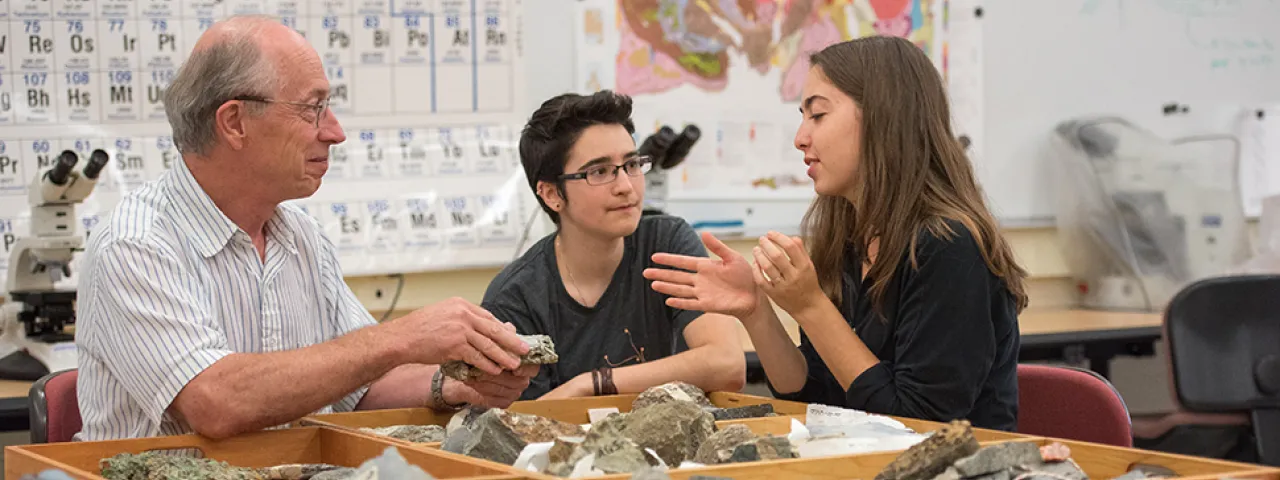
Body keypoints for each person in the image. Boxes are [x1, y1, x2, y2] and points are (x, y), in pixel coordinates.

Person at [74, 16, 536, 441]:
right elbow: (216, 402)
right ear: (234, 122)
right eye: (312, 109)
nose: (334, 132)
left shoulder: (301, 236)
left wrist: (453, 383)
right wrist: (400, 337)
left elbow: (362, 385)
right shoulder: (136, 244)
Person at [644, 36, 1029, 431]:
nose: (800, 138)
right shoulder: (847, 236)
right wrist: (756, 309)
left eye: (818, 116)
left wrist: (810, 306)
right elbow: (812, 394)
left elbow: (917, 424)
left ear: (883, 119)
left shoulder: (948, 244)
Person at [481, 91, 746, 400]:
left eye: (632, 164)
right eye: (599, 172)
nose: (625, 187)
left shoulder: (666, 244)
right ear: (552, 194)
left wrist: (592, 383)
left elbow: (728, 365)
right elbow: (527, 429)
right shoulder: (515, 300)